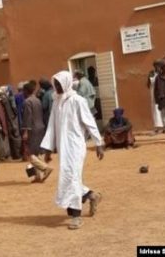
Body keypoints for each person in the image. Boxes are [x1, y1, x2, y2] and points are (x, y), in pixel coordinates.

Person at [41, 71, 104, 230]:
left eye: (59, 84)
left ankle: (76, 216)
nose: (56, 87)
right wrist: (48, 149)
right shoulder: (56, 102)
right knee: (68, 177)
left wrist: (98, 143)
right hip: (63, 148)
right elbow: (51, 127)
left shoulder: (78, 101)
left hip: (75, 147)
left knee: (73, 178)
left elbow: (89, 122)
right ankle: (91, 195)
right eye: (55, 84)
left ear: (67, 83)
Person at [21, 82, 52, 182]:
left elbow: (28, 117)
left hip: (32, 129)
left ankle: (45, 168)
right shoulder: (38, 100)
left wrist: (25, 131)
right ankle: (37, 176)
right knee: (37, 152)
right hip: (40, 127)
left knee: (30, 154)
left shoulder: (27, 102)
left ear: (26, 91)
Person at [0, 88, 12, 160]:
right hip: (0, 125)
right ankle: (3, 155)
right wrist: (1, 126)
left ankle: (5, 154)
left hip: (2, 124)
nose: (0, 96)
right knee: (2, 140)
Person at [147, 60, 165, 134]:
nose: (158, 67)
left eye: (159, 66)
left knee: (164, 109)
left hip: (162, 93)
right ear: (154, 66)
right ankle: (158, 127)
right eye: (157, 66)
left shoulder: (162, 73)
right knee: (155, 110)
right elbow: (148, 84)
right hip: (154, 94)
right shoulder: (151, 73)